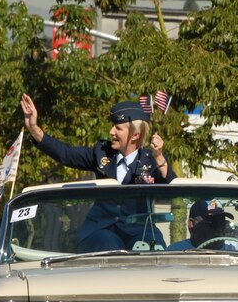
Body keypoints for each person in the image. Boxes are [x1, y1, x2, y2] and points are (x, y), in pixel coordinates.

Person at [21, 94, 176, 251]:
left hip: (140, 230)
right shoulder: (101, 152)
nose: (111, 132)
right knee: (107, 244)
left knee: (155, 250)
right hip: (101, 229)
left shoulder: (152, 159)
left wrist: (159, 159)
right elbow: (65, 153)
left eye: (118, 128)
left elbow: (173, 188)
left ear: (135, 135)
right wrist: (34, 128)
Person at [167, 199, 238, 251]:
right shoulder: (175, 252)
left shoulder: (237, 250)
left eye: (221, 221)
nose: (218, 227)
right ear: (192, 224)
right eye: (212, 221)